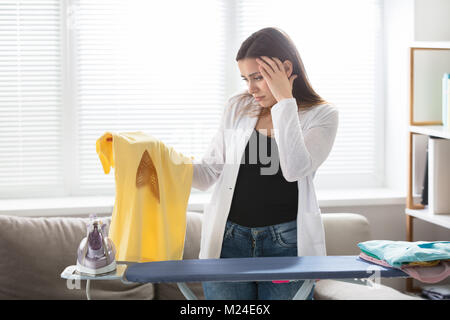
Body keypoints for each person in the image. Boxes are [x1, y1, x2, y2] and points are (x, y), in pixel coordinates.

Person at [192, 27, 339, 300]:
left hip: (286, 244)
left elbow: (294, 169)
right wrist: (157, 159)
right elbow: (208, 173)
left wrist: (285, 101)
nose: (251, 88)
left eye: (258, 77)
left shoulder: (322, 115)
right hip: (229, 241)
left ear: (285, 68)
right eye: (246, 78)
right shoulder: (238, 106)